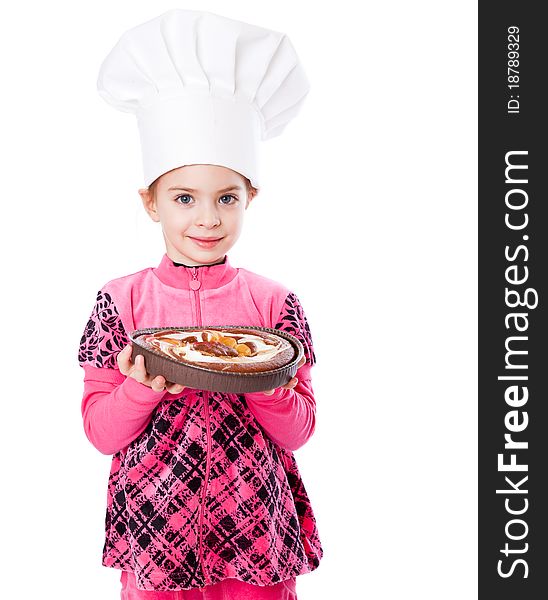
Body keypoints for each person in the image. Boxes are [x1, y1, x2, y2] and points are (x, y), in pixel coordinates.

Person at [77, 9, 322, 600]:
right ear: (151, 202)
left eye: (226, 197)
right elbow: (100, 432)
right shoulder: (121, 302)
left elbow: (300, 431)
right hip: (157, 529)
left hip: (254, 532)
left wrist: (266, 384)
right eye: (184, 196)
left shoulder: (274, 304)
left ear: (250, 198)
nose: (207, 218)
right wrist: (139, 390)